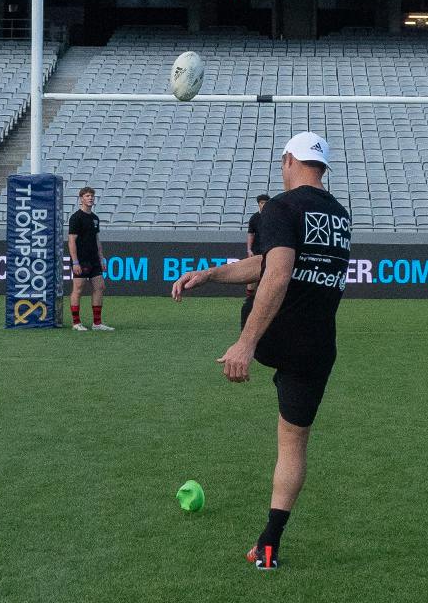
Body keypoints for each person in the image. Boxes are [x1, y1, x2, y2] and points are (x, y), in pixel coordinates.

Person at [172, 132, 351, 571]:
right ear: (321, 167)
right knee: (292, 445)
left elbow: (278, 272)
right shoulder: (339, 214)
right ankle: (269, 544)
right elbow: (273, 260)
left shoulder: (281, 207)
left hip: (276, 337)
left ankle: (268, 545)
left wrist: (246, 343)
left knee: (288, 441)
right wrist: (212, 274)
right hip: (317, 346)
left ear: (289, 160)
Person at [68, 186, 113, 331]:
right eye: (87, 196)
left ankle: (97, 323)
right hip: (81, 259)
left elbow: (96, 239)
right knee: (78, 289)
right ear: (81, 198)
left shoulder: (94, 218)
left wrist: (101, 258)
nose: (90, 198)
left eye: (92, 196)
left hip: (94, 259)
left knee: (100, 287)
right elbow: (71, 241)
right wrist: (75, 261)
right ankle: (76, 323)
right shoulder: (76, 217)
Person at [241, 194, 271, 325]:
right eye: (261, 203)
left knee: (266, 277)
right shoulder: (254, 218)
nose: (263, 205)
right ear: (258, 204)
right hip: (257, 251)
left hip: (268, 251)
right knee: (252, 277)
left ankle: (262, 301)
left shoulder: (272, 217)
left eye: (265, 202)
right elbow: (250, 234)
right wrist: (249, 249)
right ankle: (249, 300)